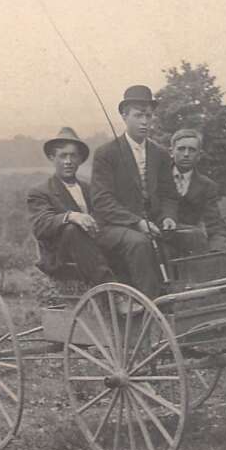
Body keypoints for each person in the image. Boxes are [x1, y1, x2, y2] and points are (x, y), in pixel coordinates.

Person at [26, 127, 160, 301]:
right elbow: (40, 225)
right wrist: (71, 216)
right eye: (63, 156)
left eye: (73, 156)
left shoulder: (89, 188)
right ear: (52, 158)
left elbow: (106, 213)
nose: (68, 161)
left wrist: (136, 222)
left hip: (95, 241)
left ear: (80, 159)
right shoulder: (40, 191)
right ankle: (113, 295)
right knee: (73, 229)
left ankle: (150, 300)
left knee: (137, 241)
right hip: (63, 254)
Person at [91, 84, 179, 296]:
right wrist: (137, 222)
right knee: (140, 243)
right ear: (124, 115)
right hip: (115, 226)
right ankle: (151, 303)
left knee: (193, 236)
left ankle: (195, 298)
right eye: (138, 115)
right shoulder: (106, 154)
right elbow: (102, 201)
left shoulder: (160, 154)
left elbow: (169, 195)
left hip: (154, 222)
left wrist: (169, 217)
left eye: (149, 116)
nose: (145, 122)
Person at [167, 128, 226, 256]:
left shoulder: (207, 186)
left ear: (199, 155)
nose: (186, 154)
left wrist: (218, 250)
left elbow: (215, 224)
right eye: (181, 149)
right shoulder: (158, 179)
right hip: (161, 242)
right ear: (171, 152)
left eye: (192, 150)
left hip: (191, 247)